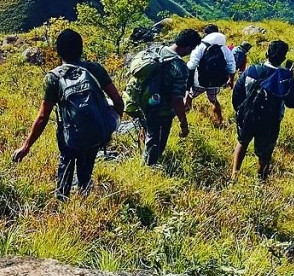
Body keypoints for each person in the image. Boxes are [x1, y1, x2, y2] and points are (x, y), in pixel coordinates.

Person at [12, 29, 124, 199]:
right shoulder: (95, 69)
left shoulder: (54, 78)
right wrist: (112, 123)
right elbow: (117, 100)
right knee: (86, 167)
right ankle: (83, 197)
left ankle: (62, 201)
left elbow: (43, 117)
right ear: (81, 49)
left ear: (59, 52)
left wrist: (26, 146)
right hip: (95, 129)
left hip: (69, 135)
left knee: (66, 163)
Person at [231, 39, 294, 180]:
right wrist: (290, 78)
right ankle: (260, 181)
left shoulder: (252, 70)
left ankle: (234, 175)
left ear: (266, 53)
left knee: (242, 142)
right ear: (283, 58)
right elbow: (291, 103)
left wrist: (240, 111)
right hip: (270, 122)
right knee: (265, 154)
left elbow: (237, 93)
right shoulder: (286, 79)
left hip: (248, 116)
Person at [137, 28, 200, 165]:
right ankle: (148, 169)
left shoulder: (156, 50)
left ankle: (146, 160)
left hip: (141, 101)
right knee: (157, 141)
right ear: (188, 47)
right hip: (162, 110)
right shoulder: (180, 67)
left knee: (149, 132)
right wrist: (184, 124)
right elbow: (177, 100)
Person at [185, 24, 235, 126]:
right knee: (213, 100)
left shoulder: (201, 46)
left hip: (199, 81)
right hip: (216, 81)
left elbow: (192, 65)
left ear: (206, 34)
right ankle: (219, 121)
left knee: (189, 96)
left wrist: (187, 79)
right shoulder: (224, 48)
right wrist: (231, 80)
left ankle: (185, 117)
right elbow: (231, 66)